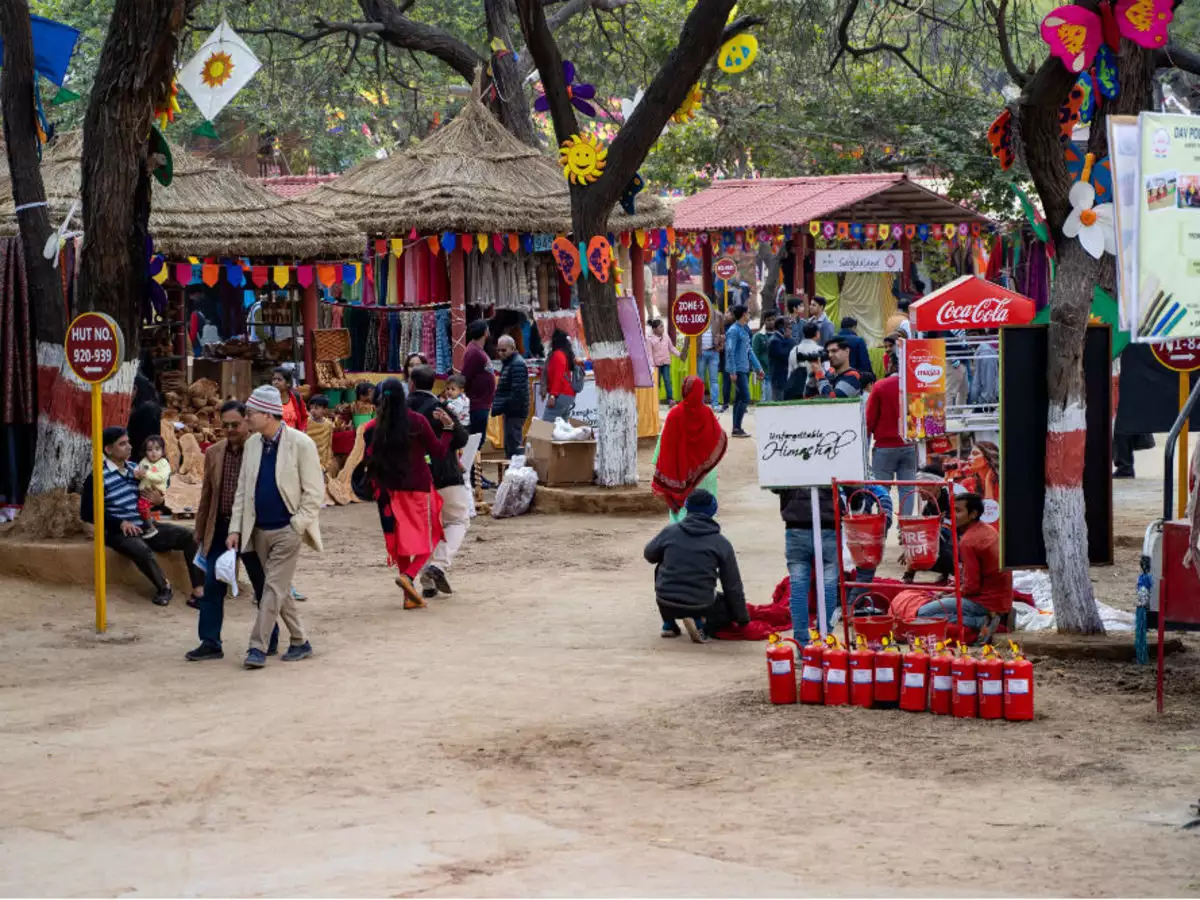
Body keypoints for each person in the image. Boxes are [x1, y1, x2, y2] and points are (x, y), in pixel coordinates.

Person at [226, 386, 324, 669]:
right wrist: (236, 528)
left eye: (251, 414)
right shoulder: (253, 444)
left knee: (270, 589)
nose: (247, 419)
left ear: (268, 415)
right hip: (258, 530)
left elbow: (314, 492)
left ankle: (257, 646)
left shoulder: (301, 443)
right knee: (278, 588)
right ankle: (300, 640)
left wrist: (297, 525)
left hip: (287, 530)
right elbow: (243, 490)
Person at [81, 426, 204, 607]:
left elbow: (157, 499)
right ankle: (164, 588)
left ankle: (199, 591)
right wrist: (120, 522)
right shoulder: (97, 476)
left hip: (146, 525)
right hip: (117, 531)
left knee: (190, 536)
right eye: (122, 444)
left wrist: (159, 501)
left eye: (128, 442)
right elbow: (87, 512)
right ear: (108, 450)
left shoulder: (137, 469)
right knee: (140, 549)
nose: (129, 447)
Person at [186, 401, 271, 661]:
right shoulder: (214, 452)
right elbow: (207, 495)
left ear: (247, 422)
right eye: (226, 425)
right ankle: (210, 641)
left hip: (252, 528)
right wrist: (200, 529)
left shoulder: (262, 451)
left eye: (236, 424)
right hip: (221, 525)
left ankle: (270, 638)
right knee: (211, 584)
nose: (231, 429)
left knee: (262, 585)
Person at [362, 377, 456, 608]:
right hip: (418, 487)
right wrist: (448, 429)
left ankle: (409, 597)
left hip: (390, 491)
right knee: (431, 537)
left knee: (401, 540)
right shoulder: (417, 421)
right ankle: (409, 577)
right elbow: (438, 451)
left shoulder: (373, 428)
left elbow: (368, 459)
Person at [644, 489, 749, 642]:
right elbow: (732, 585)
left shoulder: (670, 532)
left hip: (665, 601)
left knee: (661, 566)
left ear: (687, 507)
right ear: (713, 511)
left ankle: (668, 624)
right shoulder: (721, 543)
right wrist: (742, 619)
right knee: (723, 607)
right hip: (701, 604)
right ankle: (699, 621)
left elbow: (649, 555)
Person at [406, 366, 470, 599]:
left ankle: (426, 579)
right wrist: (449, 426)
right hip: (444, 474)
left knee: (428, 528)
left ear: (411, 383)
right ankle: (438, 565)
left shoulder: (400, 409)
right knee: (457, 520)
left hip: (410, 478)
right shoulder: (438, 408)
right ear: (434, 385)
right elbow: (461, 437)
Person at [915, 492, 1012, 642]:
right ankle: (995, 615)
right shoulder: (987, 529)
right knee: (940, 600)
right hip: (1002, 598)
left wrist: (950, 595)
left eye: (958, 511)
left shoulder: (968, 541)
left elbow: (971, 588)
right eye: (952, 510)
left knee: (923, 613)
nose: (953, 515)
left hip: (985, 601)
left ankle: (981, 621)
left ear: (973, 514)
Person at [652, 375, 728, 523]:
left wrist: (658, 464)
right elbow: (719, 438)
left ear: (684, 391)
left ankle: (681, 542)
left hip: (680, 475)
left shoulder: (675, 414)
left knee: (680, 516)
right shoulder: (707, 414)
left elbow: (664, 443)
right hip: (704, 475)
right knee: (705, 513)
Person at [778, 483, 839, 635]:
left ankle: (802, 645)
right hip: (829, 520)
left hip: (795, 521)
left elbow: (775, 483)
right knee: (829, 582)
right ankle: (825, 640)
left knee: (798, 585)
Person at [865, 354, 917, 515]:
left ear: (893, 365)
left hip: (884, 447)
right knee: (907, 489)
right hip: (909, 444)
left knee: (881, 490)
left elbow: (869, 419)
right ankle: (905, 527)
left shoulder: (880, 386)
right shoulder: (914, 384)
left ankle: (883, 526)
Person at [723, 304, 764, 437]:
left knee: (740, 398)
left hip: (745, 368)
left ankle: (736, 428)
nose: (750, 314)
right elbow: (730, 351)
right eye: (748, 312)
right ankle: (737, 427)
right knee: (745, 397)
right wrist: (733, 371)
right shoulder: (733, 331)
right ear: (743, 314)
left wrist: (758, 368)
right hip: (738, 370)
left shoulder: (745, 329)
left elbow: (749, 350)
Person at [491, 335, 529, 458]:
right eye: (499, 350)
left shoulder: (516, 364)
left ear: (512, 348)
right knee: (510, 445)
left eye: (504, 350)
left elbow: (518, 393)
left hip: (515, 411)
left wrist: (505, 406)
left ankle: (516, 472)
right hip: (511, 411)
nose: (501, 353)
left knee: (514, 446)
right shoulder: (510, 363)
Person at [135, 434, 172, 534]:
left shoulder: (164, 463)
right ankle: (149, 521)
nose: (153, 452)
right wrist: (137, 474)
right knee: (141, 508)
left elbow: (161, 478)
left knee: (142, 507)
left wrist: (146, 474)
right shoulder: (144, 461)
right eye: (150, 449)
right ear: (145, 451)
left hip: (156, 490)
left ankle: (150, 527)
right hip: (144, 491)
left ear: (163, 451)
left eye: (157, 449)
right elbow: (139, 472)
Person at [542, 328, 578, 422]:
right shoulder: (565, 354)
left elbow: (558, 377)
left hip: (560, 394)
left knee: (546, 425)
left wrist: (553, 396)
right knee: (562, 427)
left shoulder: (558, 355)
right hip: (567, 395)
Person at [645, 318, 681, 404]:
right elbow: (649, 354)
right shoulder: (649, 339)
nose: (663, 329)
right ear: (654, 329)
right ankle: (654, 400)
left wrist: (680, 355)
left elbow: (671, 348)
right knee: (657, 383)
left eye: (663, 326)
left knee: (667, 381)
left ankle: (670, 400)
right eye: (661, 327)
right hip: (656, 365)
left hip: (666, 363)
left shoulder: (666, 336)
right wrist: (652, 366)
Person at [271, 368, 309, 433]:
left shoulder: (296, 398)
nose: (275, 382)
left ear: (288, 383)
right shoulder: (268, 400)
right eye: (274, 379)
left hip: (293, 439)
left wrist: (302, 430)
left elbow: (304, 417)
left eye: (279, 380)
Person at [767, 316, 795, 402]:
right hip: (779, 380)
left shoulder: (782, 339)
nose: (791, 330)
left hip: (785, 379)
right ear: (781, 328)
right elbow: (785, 355)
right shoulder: (774, 341)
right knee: (779, 406)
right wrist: (790, 340)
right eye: (789, 327)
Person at [838, 316, 873, 380]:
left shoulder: (833, 339)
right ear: (853, 327)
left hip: (837, 376)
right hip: (854, 377)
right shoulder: (858, 340)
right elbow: (864, 362)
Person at [305, 394, 334, 474]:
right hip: (306, 462)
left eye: (316, 408)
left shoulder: (328, 425)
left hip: (320, 464)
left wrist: (327, 464)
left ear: (325, 410)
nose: (312, 411)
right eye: (311, 408)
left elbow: (328, 445)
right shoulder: (306, 422)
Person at [753, 310, 777, 401]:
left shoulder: (779, 335)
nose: (771, 322)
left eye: (773, 320)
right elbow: (755, 355)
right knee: (767, 399)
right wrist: (757, 371)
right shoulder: (758, 336)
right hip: (764, 372)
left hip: (777, 372)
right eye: (768, 320)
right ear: (764, 321)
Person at [698, 316, 722, 408]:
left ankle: (715, 404)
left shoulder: (716, 322)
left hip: (713, 352)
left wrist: (720, 347)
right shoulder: (698, 322)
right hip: (701, 353)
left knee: (714, 380)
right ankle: (700, 404)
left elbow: (722, 335)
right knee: (700, 380)